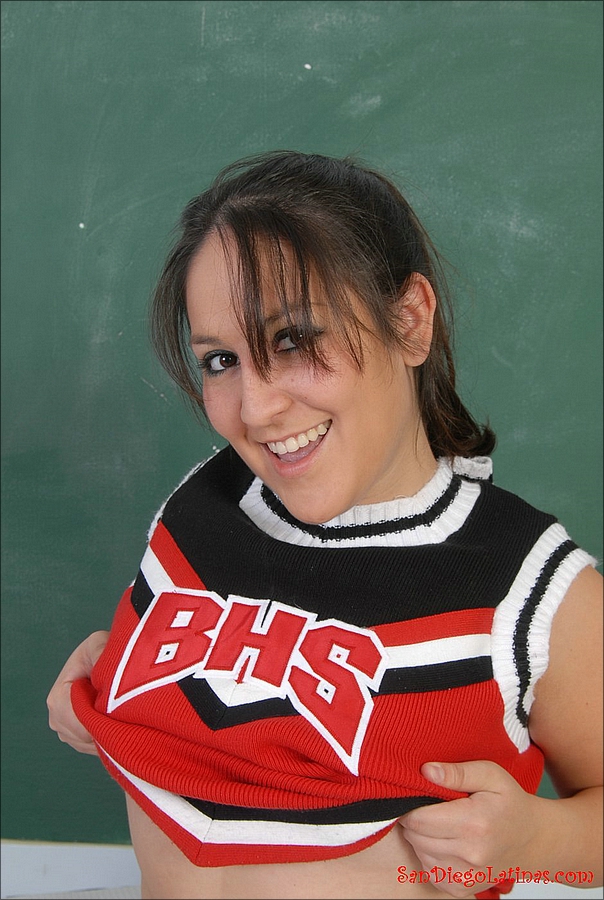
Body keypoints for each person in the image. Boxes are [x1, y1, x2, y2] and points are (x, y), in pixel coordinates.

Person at [47, 151, 603, 900]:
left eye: (292, 340)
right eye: (221, 360)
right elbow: (212, 672)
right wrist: (107, 671)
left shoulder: (530, 589)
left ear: (410, 321)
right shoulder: (199, 506)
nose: (255, 408)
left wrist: (540, 841)